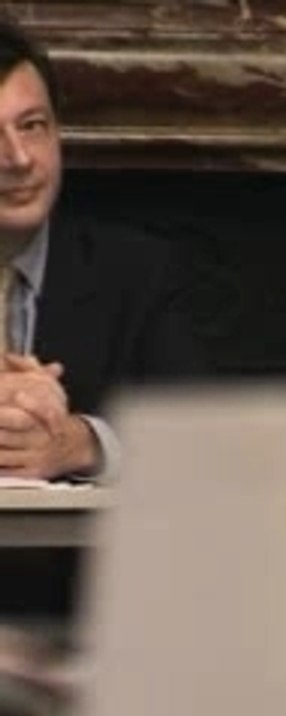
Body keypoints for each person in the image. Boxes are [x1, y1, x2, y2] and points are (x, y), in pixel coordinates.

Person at [0, 17, 205, 481]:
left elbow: (202, 437)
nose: (20, 158)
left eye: (32, 126)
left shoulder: (138, 272)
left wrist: (83, 443)